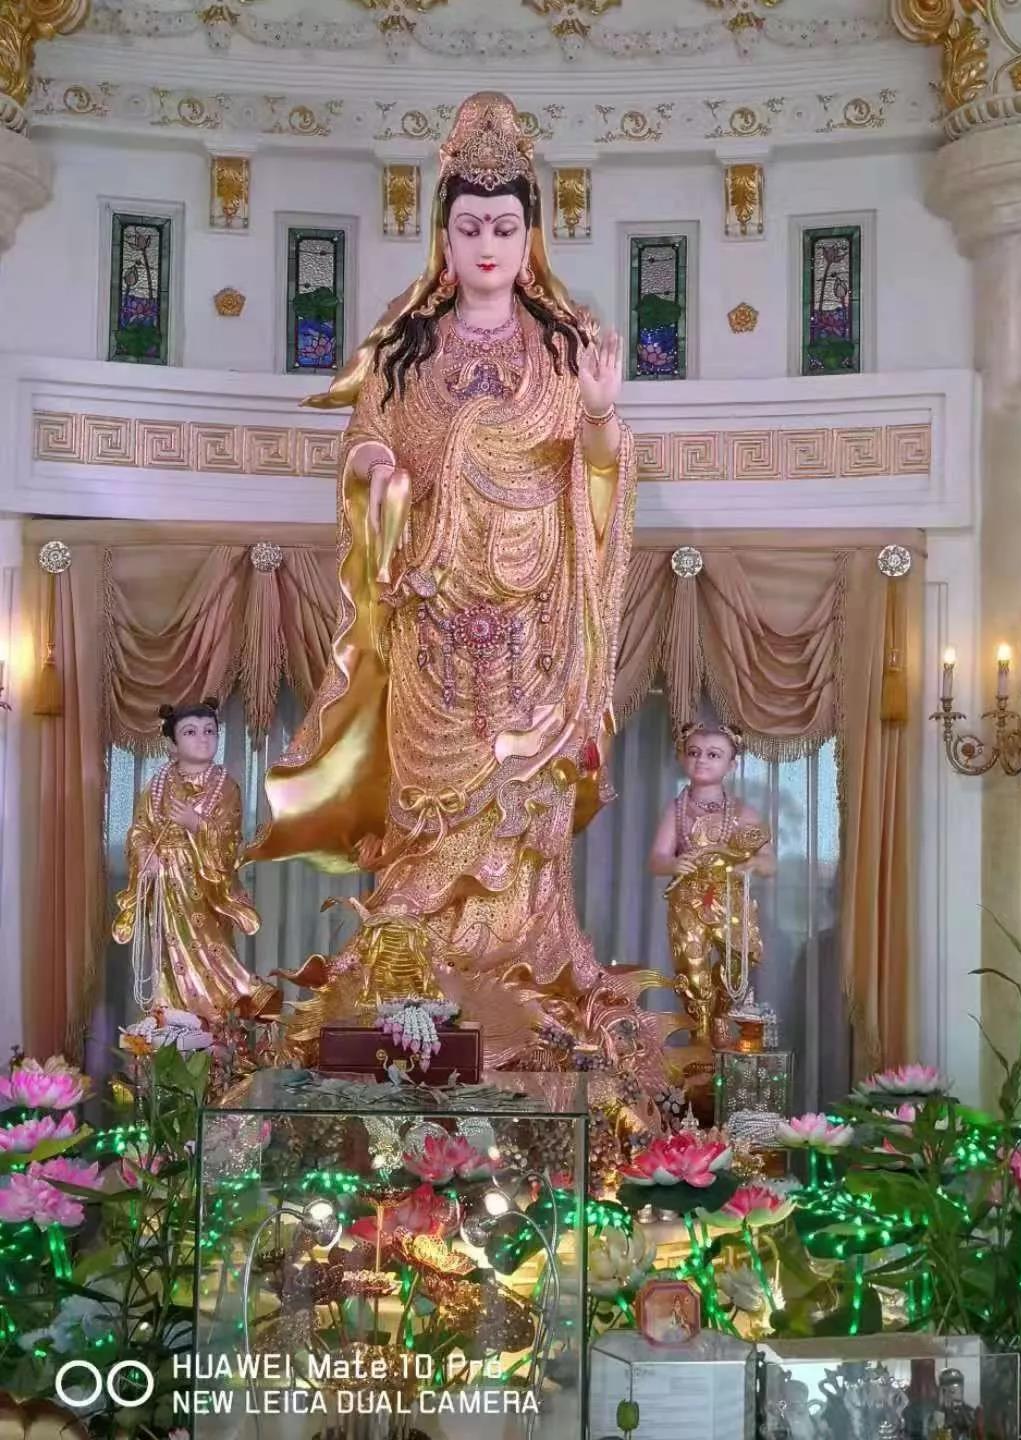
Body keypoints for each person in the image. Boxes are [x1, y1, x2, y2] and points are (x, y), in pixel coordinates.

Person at [249, 93, 675, 1084]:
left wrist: (602, 419)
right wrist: (374, 473)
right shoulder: (406, 348)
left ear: (531, 238)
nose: (487, 244)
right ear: (443, 236)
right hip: (432, 630)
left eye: (505, 226)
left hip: (532, 633)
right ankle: (412, 1002)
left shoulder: (563, 350)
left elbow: (600, 485)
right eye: (470, 225)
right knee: (423, 831)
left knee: (520, 842)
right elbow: (364, 442)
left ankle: (522, 1017)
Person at [113, 699, 260, 1022]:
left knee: (211, 951)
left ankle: (217, 1020)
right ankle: (172, 1019)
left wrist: (197, 824)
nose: (203, 738)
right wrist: (145, 853)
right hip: (166, 886)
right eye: (190, 732)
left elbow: (230, 839)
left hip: (206, 888)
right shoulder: (157, 786)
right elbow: (140, 829)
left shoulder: (225, 787)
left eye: (210, 731)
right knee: (169, 955)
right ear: (173, 743)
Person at [649, 723, 776, 1042]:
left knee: (738, 961)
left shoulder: (743, 813)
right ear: (682, 758)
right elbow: (656, 859)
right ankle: (700, 1031)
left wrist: (752, 865)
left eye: (713, 754)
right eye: (694, 752)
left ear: (731, 765)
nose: (702, 760)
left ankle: (721, 1016)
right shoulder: (677, 810)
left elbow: (769, 860)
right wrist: (673, 863)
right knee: (691, 969)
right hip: (688, 900)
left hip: (730, 899)